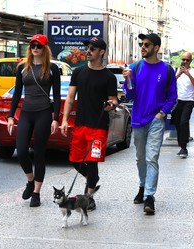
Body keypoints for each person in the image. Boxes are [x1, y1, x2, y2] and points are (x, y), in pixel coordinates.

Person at [122, 33, 177, 214]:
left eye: (147, 44)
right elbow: (129, 95)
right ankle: (142, 186)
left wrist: (162, 113)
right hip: (138, 119)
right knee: (140, 158)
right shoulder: (135, 67)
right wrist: (128, 79)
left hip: (156, 120)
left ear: (156, 48)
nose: (143, 47)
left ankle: (149, 197)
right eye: (141, 44)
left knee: (151, 157)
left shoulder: (167, 70)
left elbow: (172, 97)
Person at [61, 37, 118, 211]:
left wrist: (111, 106)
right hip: (80, 124)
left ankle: (89, 196)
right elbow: (70, 98)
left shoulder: (108, 77)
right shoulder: (78, 72)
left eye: (92, 48)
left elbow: (114, 100)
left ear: (101, 52)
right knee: (75, 161)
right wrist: (64, 119)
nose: (88, 51)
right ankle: (92, 179)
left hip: (99, 126)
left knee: (92, 161)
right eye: (87, 47)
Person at [7, 34, 61, 207]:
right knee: (21, 151)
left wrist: (56, 118)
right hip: (26, 112)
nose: (35, 48)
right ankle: (30, 181)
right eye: (32, 46)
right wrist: (10, 116)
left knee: (39, 153)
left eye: (38, 45)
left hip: (44, 112)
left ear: (44, 48)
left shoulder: (52, 68)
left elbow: (58, 95)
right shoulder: (23, 67)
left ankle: (36, 192)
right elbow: (16, 93)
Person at [171, 52, 194, 158]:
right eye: (183, 59)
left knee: (184, 122)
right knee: (177, 123)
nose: (184, 62)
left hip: (189, 101)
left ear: (190, 61)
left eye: (187, 60)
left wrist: (188, 74)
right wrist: (179, 74)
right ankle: (181, 145)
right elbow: (170, 83)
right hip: (178, 101)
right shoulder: (176, 70)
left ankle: (184, 147)